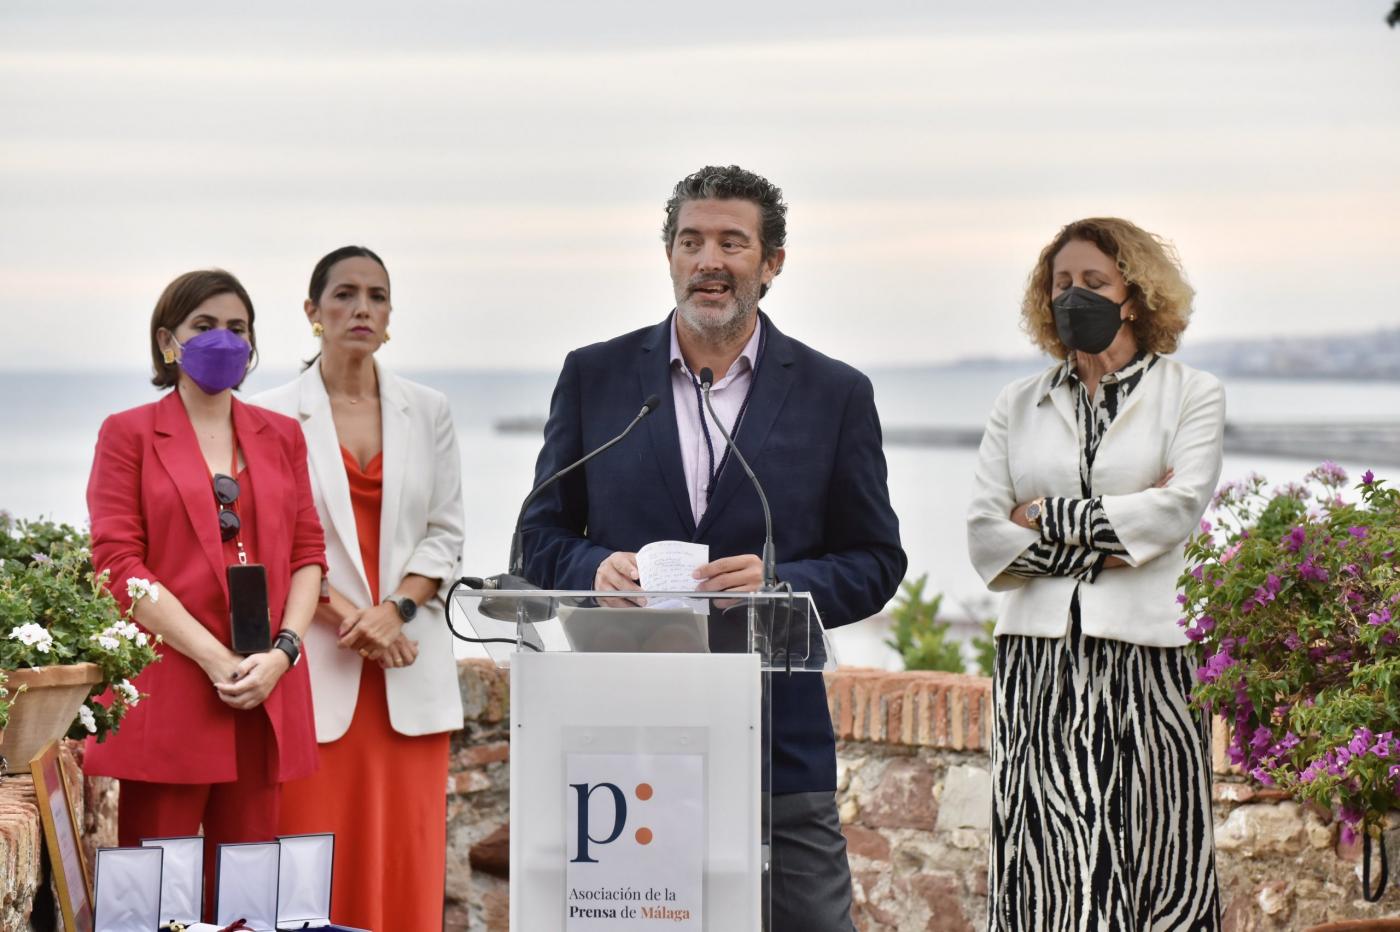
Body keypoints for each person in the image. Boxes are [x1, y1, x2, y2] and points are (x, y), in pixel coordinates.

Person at [522, 165, 906, 931]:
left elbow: (875, 560)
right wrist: (590, 569)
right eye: (691, 240)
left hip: (779, 741)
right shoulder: (594, 377)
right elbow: (537, 537)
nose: (709, 260)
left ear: (772, 264)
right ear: (668, 255)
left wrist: (784, 583)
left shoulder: (836, 394)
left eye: (733, 242)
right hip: (625, 738)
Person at [967, 217, 1225, 930]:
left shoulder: (1190, 394)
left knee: (1158, 850)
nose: (1073, 296)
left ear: (1135, 296)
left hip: (1151, 664)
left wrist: (1043, 515)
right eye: (1061, 285)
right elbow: (986, 538)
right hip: (1037, 662)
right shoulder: (1017, 404)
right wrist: (1114, 533)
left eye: (1093, 282)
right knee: (1039, 855)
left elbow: (1174, 513)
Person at [86, 269, 326, 918]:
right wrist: (215, 658)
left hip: (263, 692)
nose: (223, 340)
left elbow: (309, 556)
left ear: (252, 346)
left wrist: (281, 653)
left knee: (248, 905)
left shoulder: (283, 437)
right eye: (204, 326)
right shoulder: (128, 434)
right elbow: (119, 565)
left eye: (238, 328)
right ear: (169, 342)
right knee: (153, 901)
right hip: (172, 688)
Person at [252, 246, 466, 931]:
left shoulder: (428, 410)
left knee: (408, 855)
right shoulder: (269, 415)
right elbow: (271, 546)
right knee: (311, 857)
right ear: (313, 313)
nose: (361, 308)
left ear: (391, 317)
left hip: (410, 664)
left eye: (376, 296)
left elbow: (446, 534)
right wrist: (356, 621)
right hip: (317, 667)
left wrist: (395, 610)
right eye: (344, 295)